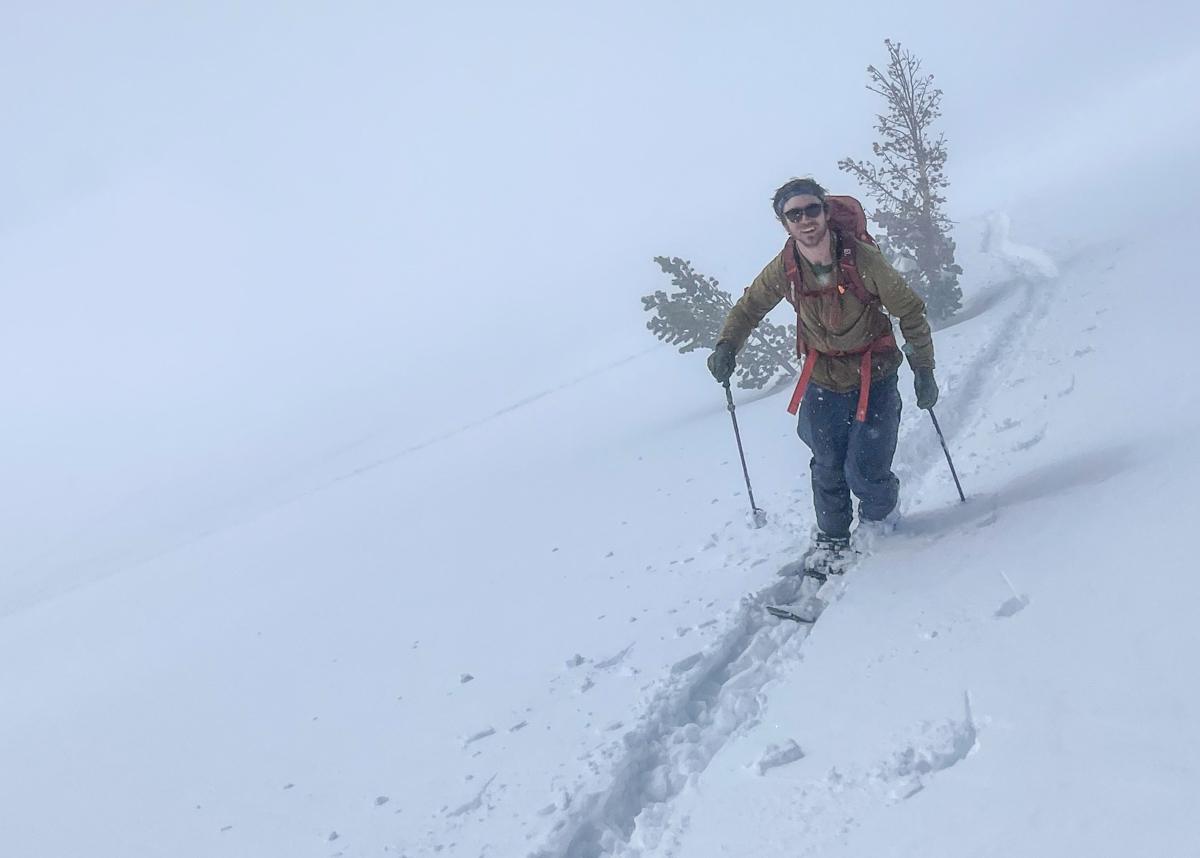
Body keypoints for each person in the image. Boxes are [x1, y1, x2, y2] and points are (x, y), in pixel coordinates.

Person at [707, 177, 939, 576]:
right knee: (827, 465)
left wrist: (923, 369)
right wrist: (728, 345)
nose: (804, 220)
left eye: (811, 209)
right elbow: (749, 307)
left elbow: (910, 311)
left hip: (875, 374)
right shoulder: (786, 267)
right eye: (793, 214)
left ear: (825, 212)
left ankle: (880, 526)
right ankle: (832, 538)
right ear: (785, 223)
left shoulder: (863, 261)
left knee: (865, 467)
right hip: (823, 378)